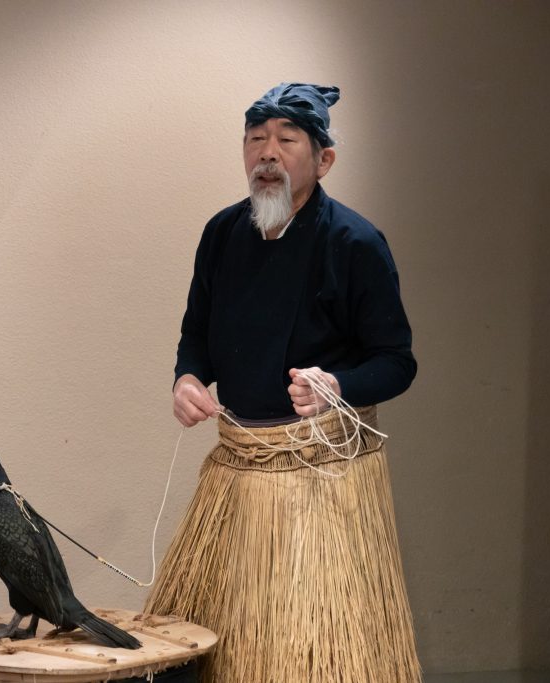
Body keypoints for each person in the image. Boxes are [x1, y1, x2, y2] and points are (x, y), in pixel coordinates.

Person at [144, 83, 421, 682]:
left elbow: (397, 361)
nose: (267, 154)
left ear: (323, 160)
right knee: (204, 654)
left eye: (286, 140)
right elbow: (196, 334)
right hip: (237, 472)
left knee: (309, 660)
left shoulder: (355, 243)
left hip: (321, 484)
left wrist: (336, 386)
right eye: (255, 140)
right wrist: (187, 378)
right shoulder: (221, 234)